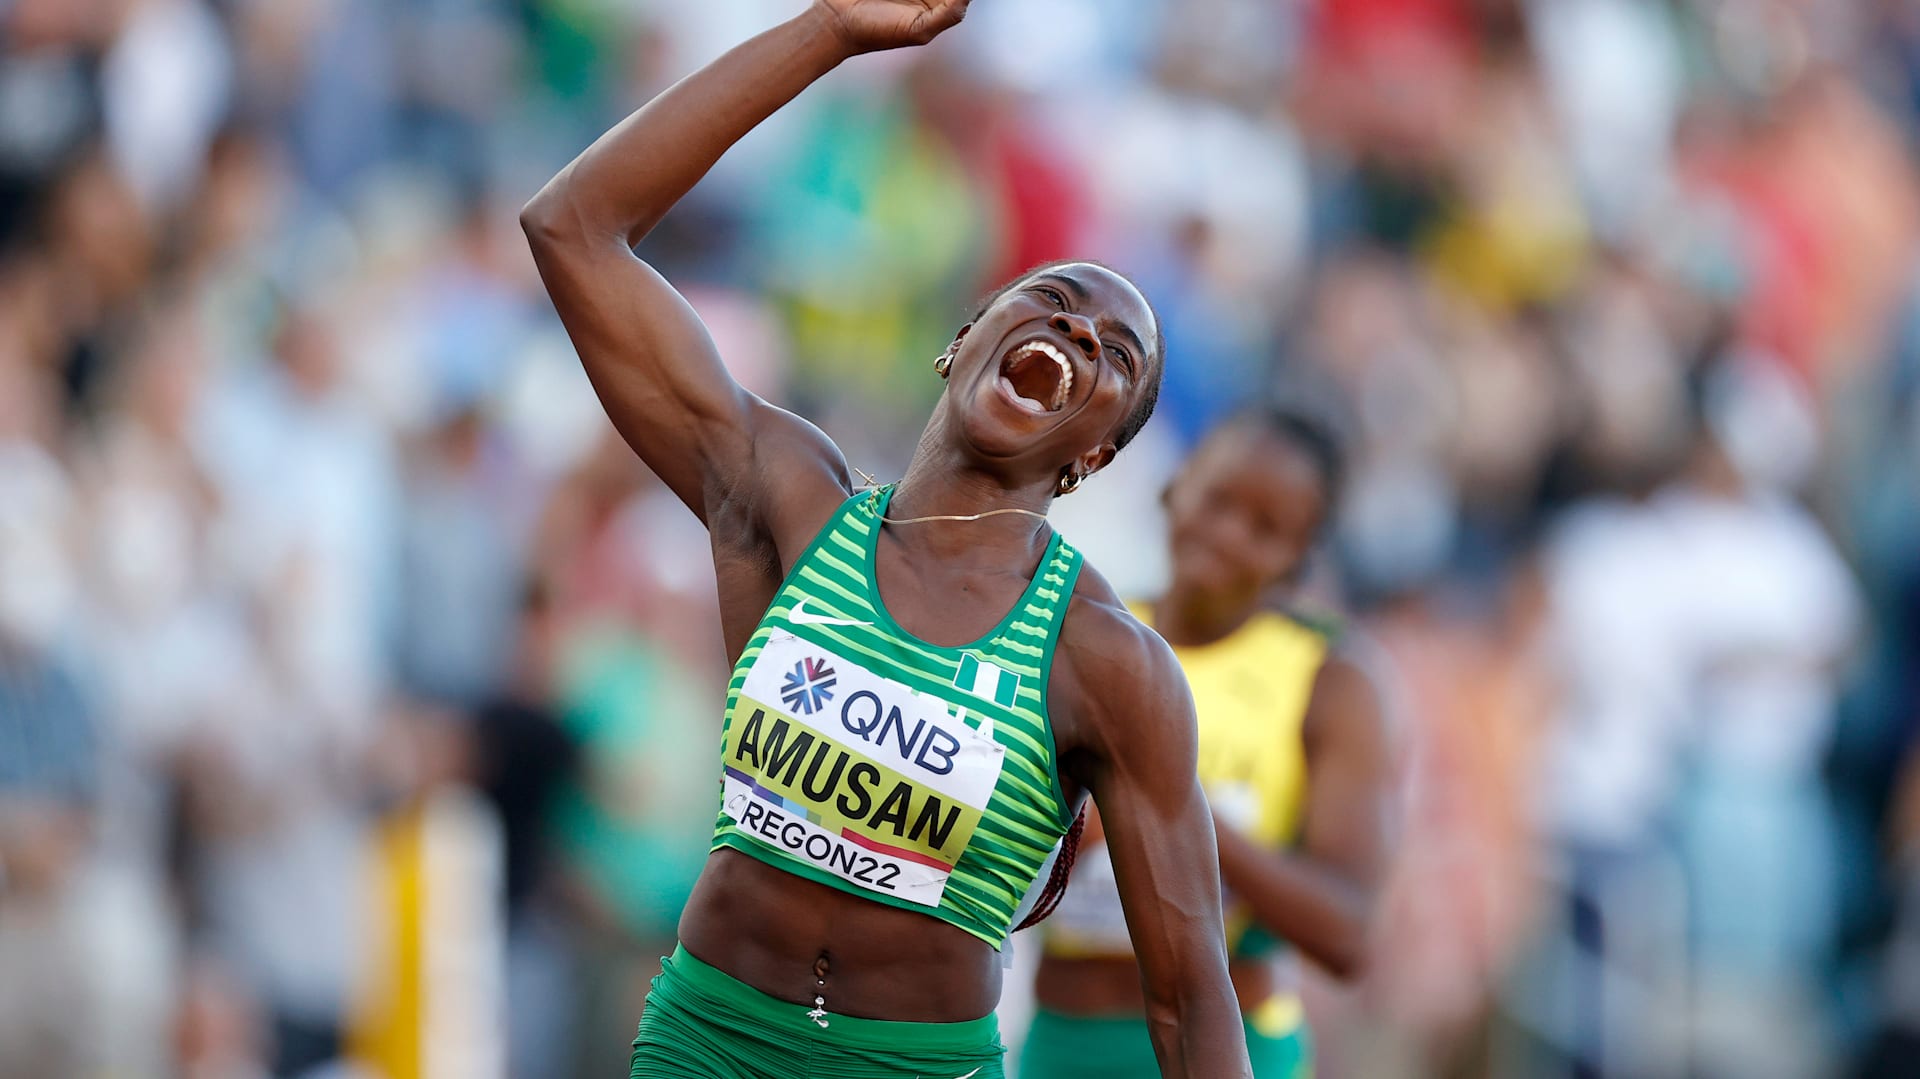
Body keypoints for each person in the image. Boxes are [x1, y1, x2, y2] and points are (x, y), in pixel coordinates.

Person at [518, 2, 1252, 1077]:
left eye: (1115, 359)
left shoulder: (1105, 660)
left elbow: (1190, 997)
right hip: (706, 1040)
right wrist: (831, 33)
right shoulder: (788, 496)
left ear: (1093, 455)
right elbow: (571, 226)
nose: (1075, 336)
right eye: (1049, 301)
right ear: (964, 341)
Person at [1020, 408, 1394, 1078]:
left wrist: (1164, 812)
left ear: (1299, 559)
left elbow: (1347, 934)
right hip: (1063, 1041)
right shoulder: (1084, 632)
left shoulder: (1330, 681)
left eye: (1265, 529)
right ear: (1174, 487)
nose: (1225, 535)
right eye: (1217, 499)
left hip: (1233, 1045)